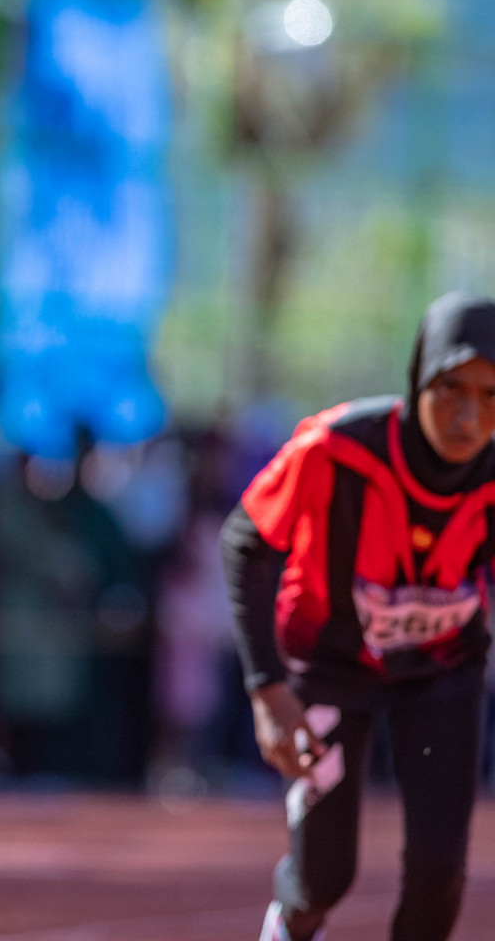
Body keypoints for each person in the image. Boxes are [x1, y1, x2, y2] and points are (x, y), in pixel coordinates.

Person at [223, 293, 495, 941]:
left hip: (443, 675)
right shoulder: (334, 449)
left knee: (440, 872)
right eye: (450, 388)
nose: (468, 416)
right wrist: (267, 691)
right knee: (324, 875)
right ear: (416, 378)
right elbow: (245, 543)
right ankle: (289, 924)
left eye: (491, 397)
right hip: (329, 666)